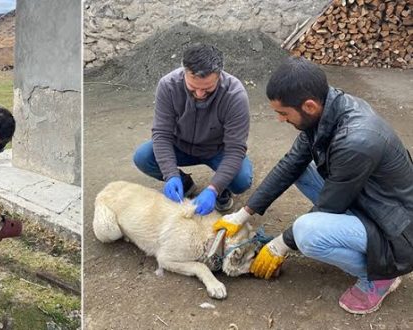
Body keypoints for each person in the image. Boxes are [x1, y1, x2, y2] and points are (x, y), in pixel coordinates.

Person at [214, 57, 413, 314]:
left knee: (306, 232)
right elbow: (290, 165)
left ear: (308, 105)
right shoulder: (327, 111)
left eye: (284, 113)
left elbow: (330, 205)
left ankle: (380, 276)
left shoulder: (357, 139)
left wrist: (281, 244)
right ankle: (368, 256)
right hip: (372, 201)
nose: (280, 119)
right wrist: (243, 214)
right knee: (301, 172)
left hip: (398, 230)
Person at [133, 43, 253, 214]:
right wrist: (170, 175)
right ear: (184, 72)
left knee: (241, 180)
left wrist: (214, 188)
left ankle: (220, 191)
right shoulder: (168, 86)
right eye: (193, 87)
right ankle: (183, 183)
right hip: (179, 145)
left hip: (217, 149)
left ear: (219, 76)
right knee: (143, 157)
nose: (199, 94)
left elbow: (235, 149)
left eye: (207, 88)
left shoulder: (234, 95)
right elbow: (162, 134)